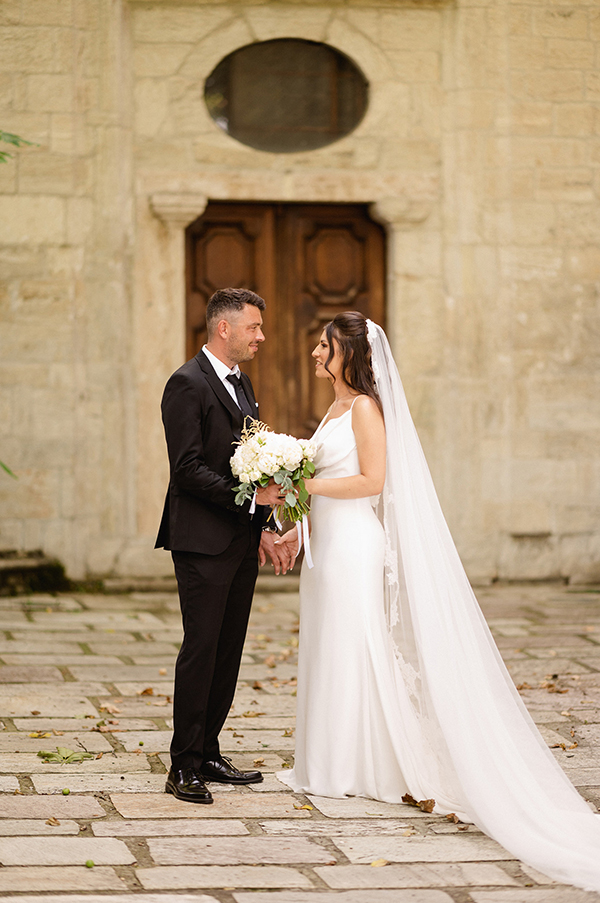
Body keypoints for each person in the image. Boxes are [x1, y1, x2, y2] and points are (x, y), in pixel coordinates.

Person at [276, 311, 600, 891]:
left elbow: (373, 480)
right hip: (328, 545)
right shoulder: (336, 407)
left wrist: (304, 483)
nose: (316, 351)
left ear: (348, 354)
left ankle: (359, 763)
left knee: (356, 647)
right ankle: (327, 758)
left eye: (325, 345)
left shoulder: (368, 409)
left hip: (353, 544)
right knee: (331, 646)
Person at [156, 287, 290, 804]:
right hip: (201, 542)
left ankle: (209, 750)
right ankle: (183, 765)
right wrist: (251, 501)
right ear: (224, 328)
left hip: (238, 539)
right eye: (254, 327)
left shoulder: (242, 383)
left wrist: (263, 523)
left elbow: (247, 460)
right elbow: (187, 470)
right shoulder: (186, 384)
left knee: (229, 649)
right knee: (202, 648)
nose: (261, 336)